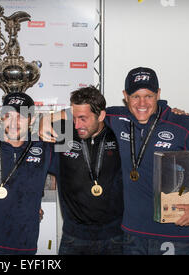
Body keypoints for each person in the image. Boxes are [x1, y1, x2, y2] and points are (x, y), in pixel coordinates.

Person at [104, 67, 189, 255]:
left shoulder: (184, 125)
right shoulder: (115, 118)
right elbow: (80, 116)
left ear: (158, 94)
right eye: (135, 96)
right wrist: (45, 122)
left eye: (148, 96)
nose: (142, 103)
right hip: (130, 236)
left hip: (175, 235)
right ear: (125, 96)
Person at [0, 92, 58, 255]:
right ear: (1, 117)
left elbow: (79, 122)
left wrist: (49, 118)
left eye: (21, 116)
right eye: (8, 115)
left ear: (32, 120)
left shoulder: (44, 148)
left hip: (24, 247)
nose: (14, 122)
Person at [53, 86, 124, 255]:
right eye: (74, 117)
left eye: (83, 118)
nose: (77, 125)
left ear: (100, 115)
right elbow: (23, 134)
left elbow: (141, 112)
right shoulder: (64, 133)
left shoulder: (119, 135)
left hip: (115, 238)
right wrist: (44, 120)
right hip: (74, 237)